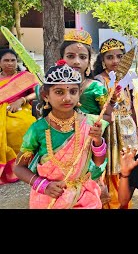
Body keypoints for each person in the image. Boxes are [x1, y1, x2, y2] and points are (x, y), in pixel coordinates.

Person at [13, 60, 109, 209]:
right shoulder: (38, 129)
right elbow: (19, 168)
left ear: (79, 94)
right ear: (45, 96)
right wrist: (44, 185)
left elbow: (98, 162)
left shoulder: (90, 123)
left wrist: (97, 140)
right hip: (49, 198)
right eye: (59, 92)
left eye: (73, 91)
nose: (67, 98)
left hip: (84, 197)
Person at [93, 38, 138, 209]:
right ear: (102, 61)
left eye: (120, 56)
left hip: (128, 126)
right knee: (112, 167)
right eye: (110, 57)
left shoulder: (128, 78)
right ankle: (112, 204)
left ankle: (124, 201)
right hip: (110, 128)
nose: (116, 61)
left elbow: (132, 105)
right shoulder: (99, 81)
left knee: (127, 167)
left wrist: (136, 126)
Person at [0, 49, 37, 184]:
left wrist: (21, 100)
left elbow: (37, 92)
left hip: (20, 107)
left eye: (13, 60)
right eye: (6, 60)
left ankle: (23, 164)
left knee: (21, 125)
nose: (10, 63)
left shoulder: (25, 77)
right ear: (0, 63)